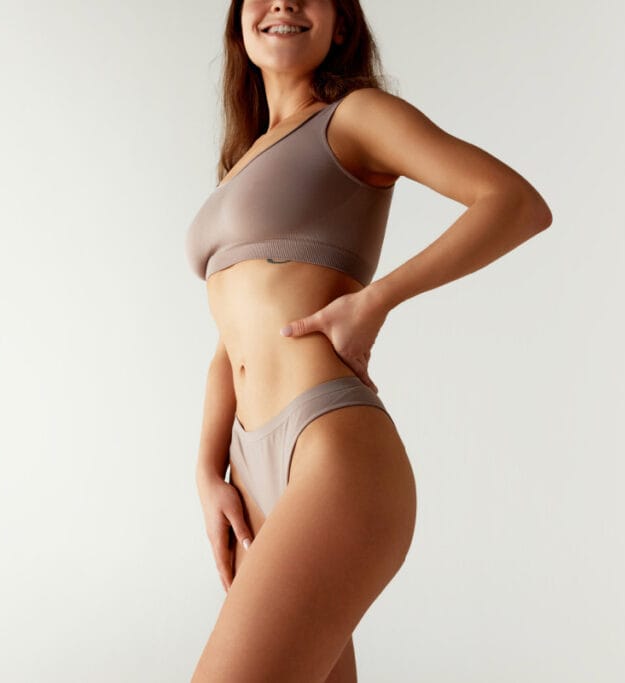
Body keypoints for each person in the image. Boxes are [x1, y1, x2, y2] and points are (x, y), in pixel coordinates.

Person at [185, 1, 552, 680]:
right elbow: (228, 337)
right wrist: (208, 470)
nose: (286, 2)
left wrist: (376, 300)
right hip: (253, 473)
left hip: (330, 449)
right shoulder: (243, 158)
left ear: (343, 22)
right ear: (239, 17)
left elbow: (513, 202)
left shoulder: (353, 118)